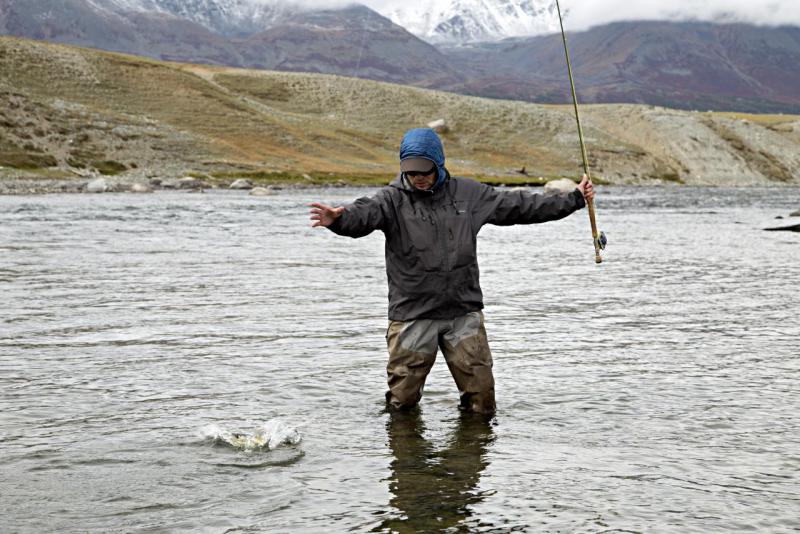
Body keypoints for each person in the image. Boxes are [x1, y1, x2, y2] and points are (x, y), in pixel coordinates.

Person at [310, 128, 594, 414]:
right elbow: (362, 215)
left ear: (438, 163)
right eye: (411, 172)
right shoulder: (390, 200)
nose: (418, 177)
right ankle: (407, 457)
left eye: (424, 171)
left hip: (463, 313)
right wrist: (338, 221)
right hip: (412, 316)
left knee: (482, 404)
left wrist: (574, 199)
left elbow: (520, 206)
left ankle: (469, 455)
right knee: (402, 405)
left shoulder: (469, 194)